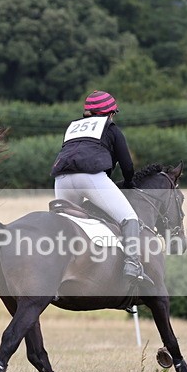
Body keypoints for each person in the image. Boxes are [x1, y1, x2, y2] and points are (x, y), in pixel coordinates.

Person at [50, 90, 154, 285]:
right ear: (110, 113)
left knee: (67, 224)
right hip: (90, 178)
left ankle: (54, 267)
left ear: (88, 112)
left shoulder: (72, 128)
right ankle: (132, 264)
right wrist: (129, 182)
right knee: (129, 218)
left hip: (62, 179)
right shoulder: (111, 128)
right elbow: (127, 165)